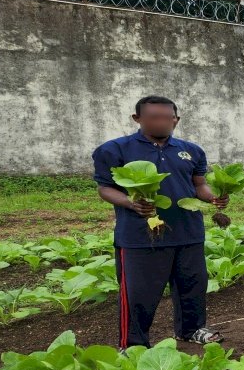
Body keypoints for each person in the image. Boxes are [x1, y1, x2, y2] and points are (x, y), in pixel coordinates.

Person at [92, 95, 227, 349]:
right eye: (155, 117)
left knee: (192, 286)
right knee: (139, 294)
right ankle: (132, 344)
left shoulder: (191, 150)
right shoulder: (115, 149)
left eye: (169, 118)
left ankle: (191, 330)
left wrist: (213, 198)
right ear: (138, 119)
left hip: (188, 232)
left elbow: (200, 185)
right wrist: (132, 203)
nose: (163, 122)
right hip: (140, 236)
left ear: (176, 120)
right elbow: (105, 189)